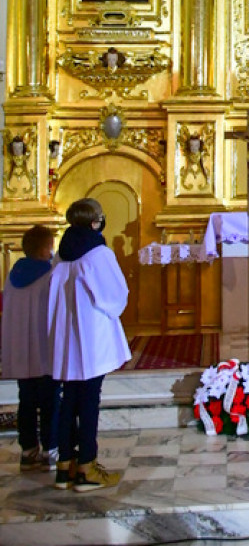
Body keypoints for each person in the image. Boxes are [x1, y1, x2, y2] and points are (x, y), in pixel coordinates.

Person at [48, 198, 131, 491]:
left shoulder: (62, 255)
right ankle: (87, 467)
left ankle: (64, 467)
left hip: (67, 337)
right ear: (96, 221)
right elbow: (115, 298)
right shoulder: (98, 253)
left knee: (68, 399)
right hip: (92, 338)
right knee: (89, 401)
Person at [1, 225, 60, 472]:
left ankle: (27, 450)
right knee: (50, 401)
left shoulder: (13, 274)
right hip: (44, 349)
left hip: (21, 351)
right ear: (46, 248)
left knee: (26, 400)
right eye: (51, 246)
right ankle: (50, 448)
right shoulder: (49, 275)